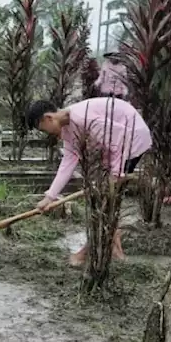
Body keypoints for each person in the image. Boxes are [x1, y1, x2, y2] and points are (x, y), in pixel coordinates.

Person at [25, 97, 153, 266]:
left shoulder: (82, 118)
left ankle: (85, 253)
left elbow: (120, 137)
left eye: (44, 129)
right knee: (108, 201)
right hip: (117, 147)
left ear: (49, 118)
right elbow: (69, 159)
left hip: (133, 139)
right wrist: (50, 196)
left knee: (106, 201)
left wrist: (115, 174)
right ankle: (116, 250)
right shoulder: (68, 127)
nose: (48, 134)